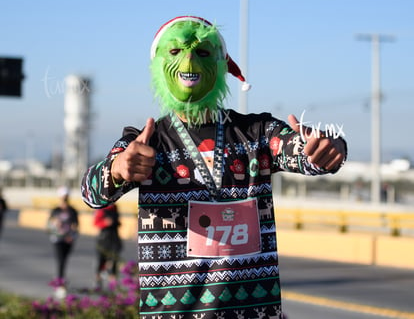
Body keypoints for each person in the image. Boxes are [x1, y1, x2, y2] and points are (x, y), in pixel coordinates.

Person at [81, 16, 347, 318]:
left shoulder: (256, 133)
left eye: (203, 52)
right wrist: (117, 168)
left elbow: (296, 149)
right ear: (156, 66)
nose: (189, 59)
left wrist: (327, 149)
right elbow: (91, 193)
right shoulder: (145, 143)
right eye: (175, 52)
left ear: (222, 65)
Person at [47, 186, 79, 292]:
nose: (64, 198)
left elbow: (76, 225)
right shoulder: (55, 210)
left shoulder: (72, 210)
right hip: (57, 239)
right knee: (61, 261)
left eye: (66, 196)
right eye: (63, 196)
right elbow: (48, 224)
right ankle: (60, 284)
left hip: (68, 239)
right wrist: (54, 224)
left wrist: (72, 235)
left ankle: (60, 280)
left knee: (64, 260)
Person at [93, 203, 123, 289]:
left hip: (114, 239)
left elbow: (118, 222)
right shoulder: (101, 209)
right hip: (104, 240)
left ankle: (113, 284)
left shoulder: (115, 209)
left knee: (114, 262)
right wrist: (105, 223)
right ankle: (98, 281)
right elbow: (96, 223)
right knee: (101, 261)